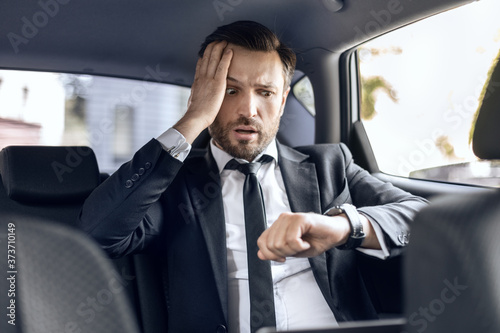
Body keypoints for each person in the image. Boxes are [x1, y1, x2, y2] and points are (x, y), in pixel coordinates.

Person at [78, 20, 427, 333]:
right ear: (203, 95)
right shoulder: (173, 183)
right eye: (230, 91)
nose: (248, 110)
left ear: (284, 99)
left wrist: (342, 227)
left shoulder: (329, 165)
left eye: (265, 92)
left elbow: (422, 218)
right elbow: (98, 232)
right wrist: (194, 118)